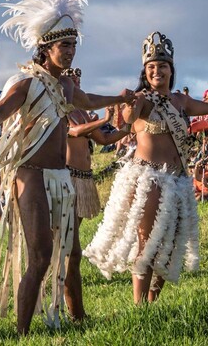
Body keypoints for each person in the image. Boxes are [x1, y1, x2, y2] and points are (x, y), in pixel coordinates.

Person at [0, 0, 133, 334]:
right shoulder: (27, 82)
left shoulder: (64, 86)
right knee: (42, 256)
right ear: (46, 47)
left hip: (62, 178)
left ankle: (76, 320)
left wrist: (120, 98)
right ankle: (22, 333)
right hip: (30, 175)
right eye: (65, 46)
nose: (71, 52)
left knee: (71, 255)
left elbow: (89, 98)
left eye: (74, 46)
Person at [84, 31, 208, 305]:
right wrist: (130, 107)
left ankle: (152, 304)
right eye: (151, 67)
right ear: (145, 72)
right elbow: (126, 119)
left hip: (178, 180)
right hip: (148, 177)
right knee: (148, 242)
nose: (157, 71)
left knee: (168, 248)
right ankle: (139, 305)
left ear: (172, 70)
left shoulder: (180, 102)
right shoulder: (142, 99)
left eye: (162, 66)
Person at [62, 67, 129, 321]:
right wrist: (104, 118)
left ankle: (76, 313)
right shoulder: (61, 108)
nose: (76, 83)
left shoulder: (79, 111)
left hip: (83, 179)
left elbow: (102, 139)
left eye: (78, 79)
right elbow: (75, 132)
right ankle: (75, 314)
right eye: (71, 79)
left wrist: (129, 127)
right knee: (71, 251)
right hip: (67, 180)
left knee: (72, 250)